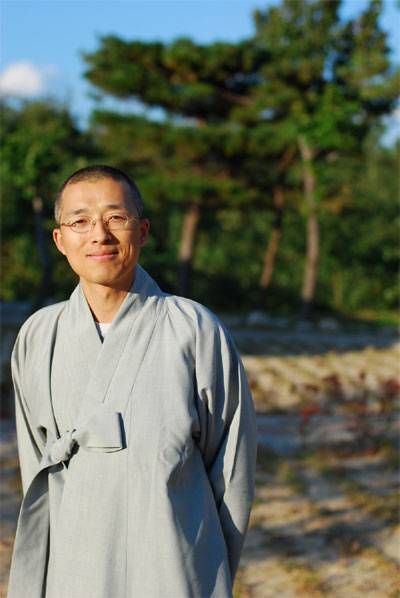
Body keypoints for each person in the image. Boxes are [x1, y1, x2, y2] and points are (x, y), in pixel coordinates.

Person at [7, 165, 257, 598]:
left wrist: (206, 571)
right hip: (74, 567)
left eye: (116, 218)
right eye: (80, 221)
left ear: (142, 231)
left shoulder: (195, 330)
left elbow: (232, 472)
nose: (99, 235)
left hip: (171, 567)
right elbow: (35, 473)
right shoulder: (39, 336)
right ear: (60, 240)